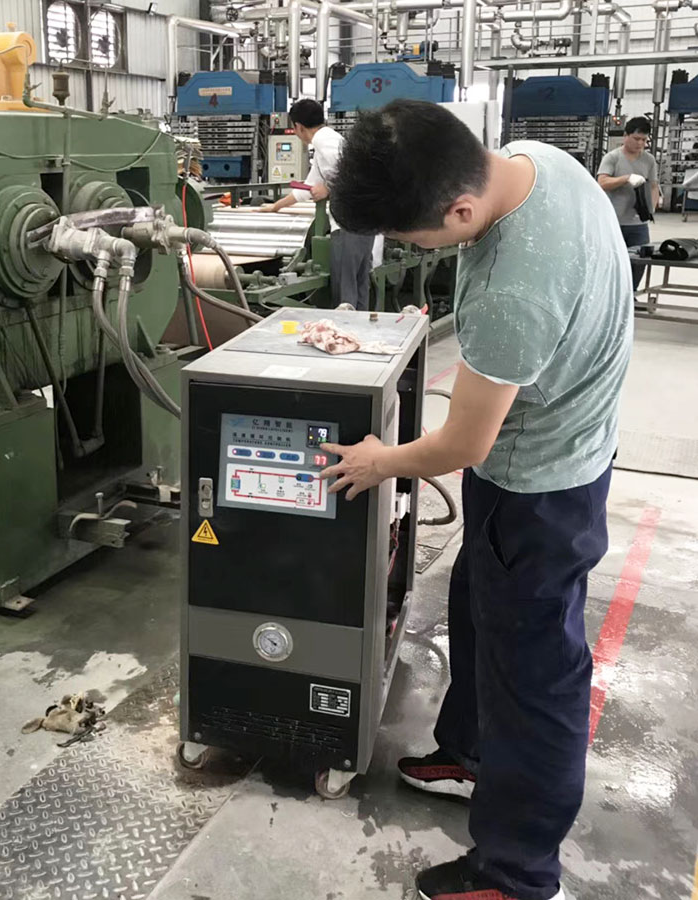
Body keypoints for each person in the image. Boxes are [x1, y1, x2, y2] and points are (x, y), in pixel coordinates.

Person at [322, 100, 633, 900]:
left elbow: (462, 445)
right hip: (558, 446)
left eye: (416, 239)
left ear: (460, 211)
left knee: (537, 679)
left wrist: (380, 461)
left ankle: (517, 874)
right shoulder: (534, 161)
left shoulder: (508, 298)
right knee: (476, 605)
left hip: (542, 488)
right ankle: (470, 752)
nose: (417, 251)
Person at [261, 98, 375, 309]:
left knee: (345, 290)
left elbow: (357, 174)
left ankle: (346, 327)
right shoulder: (329, 141)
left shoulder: (324, 142)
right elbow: (308, 188)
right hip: (362, 225)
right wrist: (276, 206)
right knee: (358, 286)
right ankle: (360, 326)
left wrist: (328, 189)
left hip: (349, 226)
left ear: (298, 126)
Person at [597, 116, 660, 291]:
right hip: (613, 222)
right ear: (626, 136)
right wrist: (625, 178)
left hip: (638, 224)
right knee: (611, 261)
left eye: (644, 140)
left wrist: (650, 209)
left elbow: (653, 186)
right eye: (636, 138)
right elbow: (602, 182)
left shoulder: (649, 160)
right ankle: (609, 296)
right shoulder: (613, 158)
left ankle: (631, 294)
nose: (640, 143)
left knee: (640, 261)